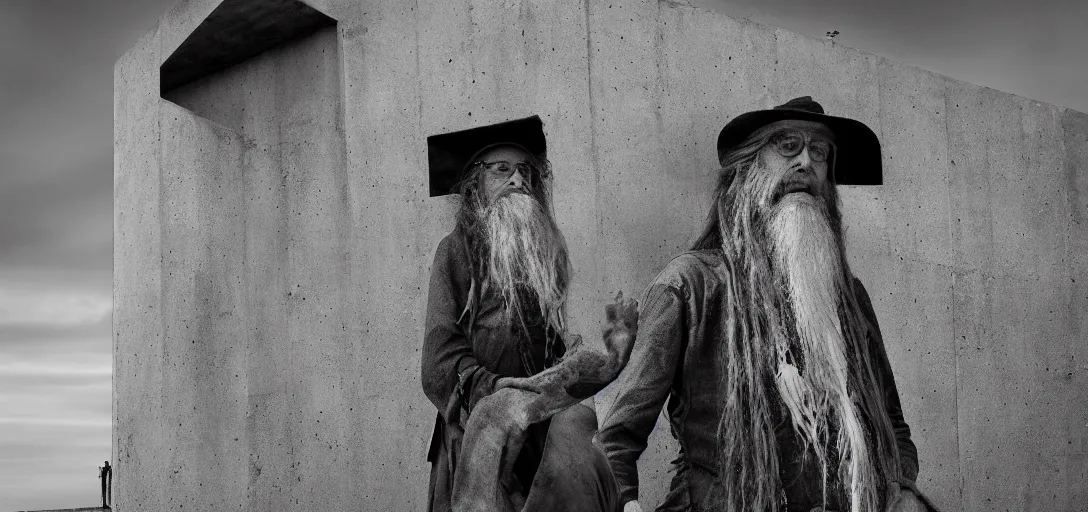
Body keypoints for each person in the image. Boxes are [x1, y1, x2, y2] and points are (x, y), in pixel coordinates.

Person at [597, 97, 937, 512]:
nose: (806, 163)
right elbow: (617, 438)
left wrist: (902, 493)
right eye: (788, 146)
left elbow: (893, 423)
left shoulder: (849, 298)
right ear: (746, 170)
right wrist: (626, 507)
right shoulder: (690, 285)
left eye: (820, 153)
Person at [421, 134, 620, 511]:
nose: (518, 180)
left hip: (540, 436)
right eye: (502, 169)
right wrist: (496, 394)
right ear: (474, 183)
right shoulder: (454, 250)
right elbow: (438, 361)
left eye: (526, 171)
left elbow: (543, 349)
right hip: (477, 439)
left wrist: (575, 364)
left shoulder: (541, 256)